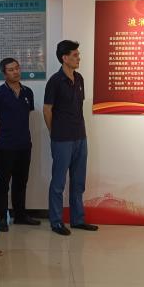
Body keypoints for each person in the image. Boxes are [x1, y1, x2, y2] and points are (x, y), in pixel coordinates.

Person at [43, 40, 98, 236]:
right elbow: (47, 109)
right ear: (64, 58)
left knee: (78, 181)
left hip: (80, 136)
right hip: (62, 138)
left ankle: (78, 219)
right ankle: (56, 222)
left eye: (78, 55)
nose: (78, 58)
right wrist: (54, 132)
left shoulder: (79, 79)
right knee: (59, 182)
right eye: (75, 55)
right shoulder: (55, 81)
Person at [0, 57, 40, 231]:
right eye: (11, 70)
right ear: (4, 74)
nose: (16, 72)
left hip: (24, 145)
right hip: (5, 146)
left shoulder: (28, 92)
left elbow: (27, 116)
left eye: (17, 68)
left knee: (21, 182)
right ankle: (1, 218)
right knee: (3, 183)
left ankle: (20, 215)